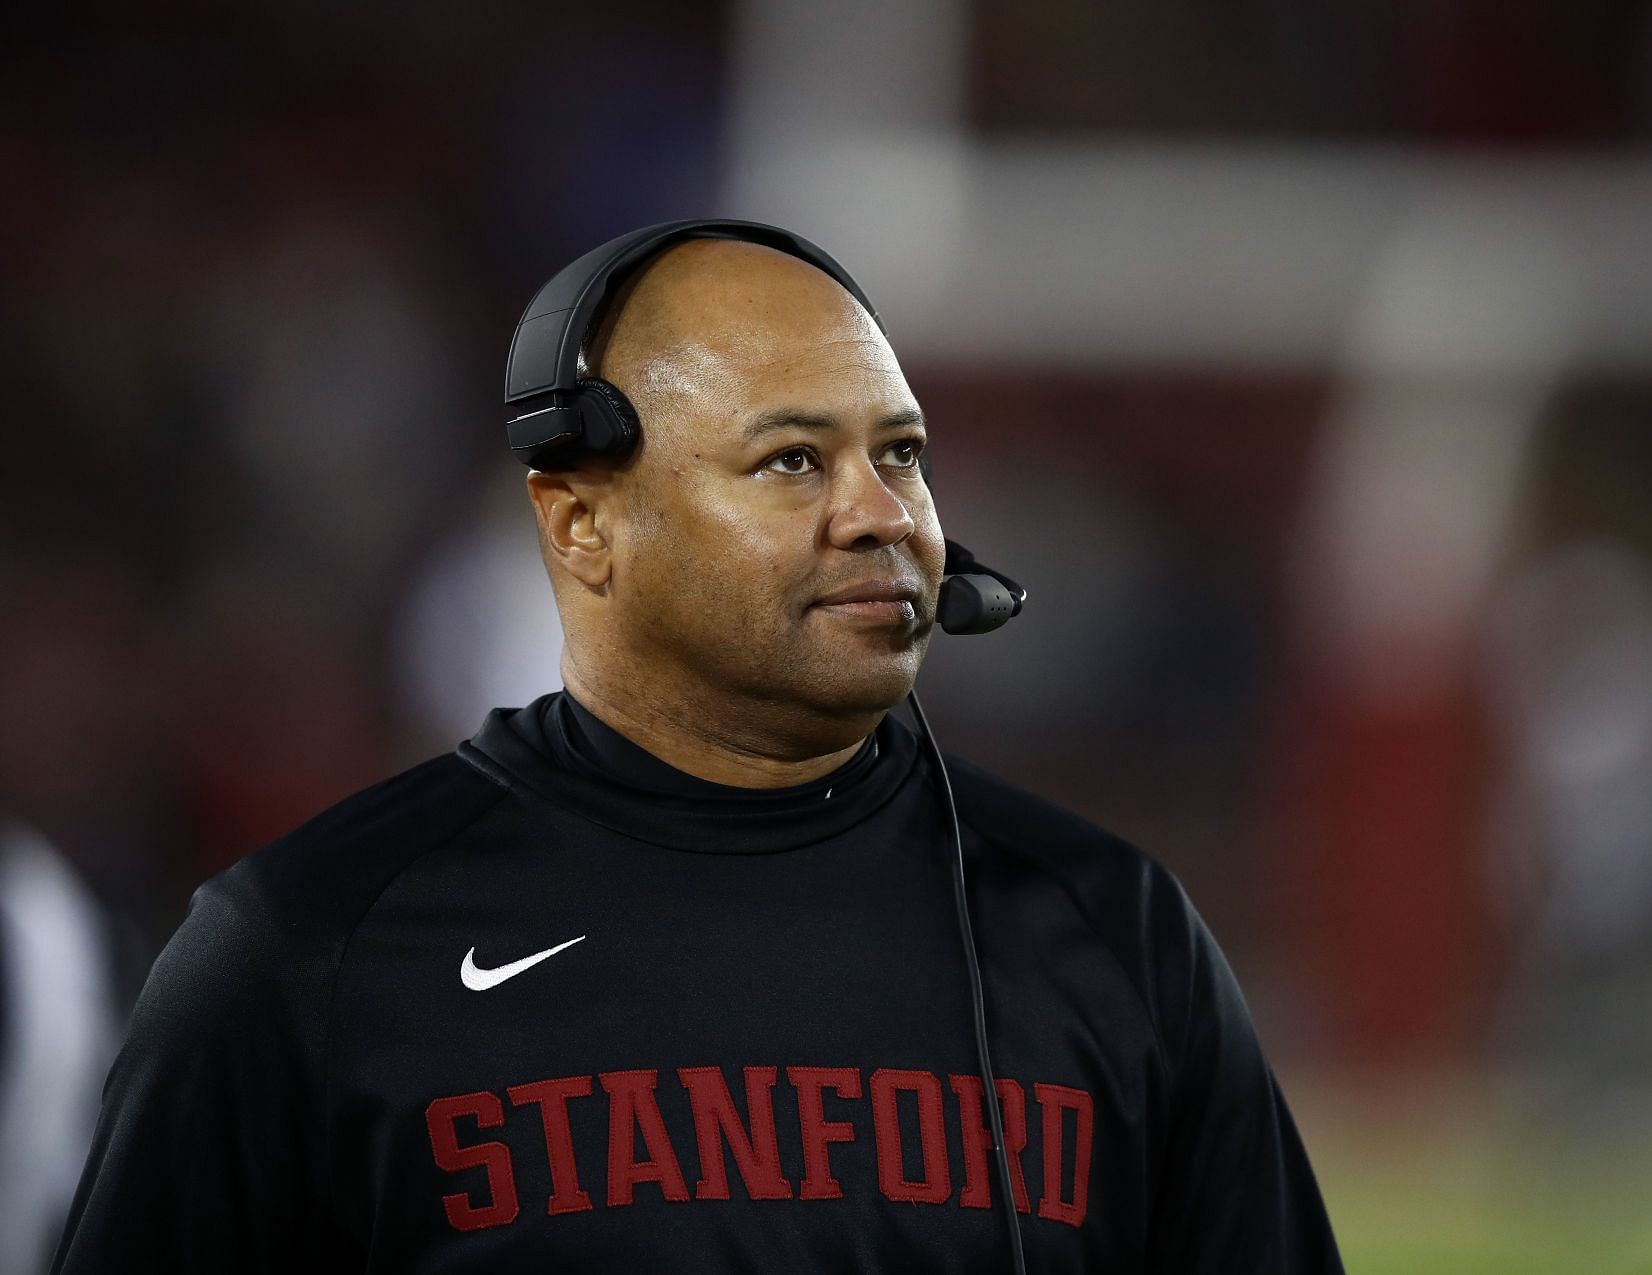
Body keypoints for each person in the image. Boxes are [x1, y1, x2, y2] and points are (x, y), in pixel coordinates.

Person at [54, 222, 1342, 1272]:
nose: (881, 516)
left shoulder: (1112, 931)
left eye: (901, 455)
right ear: (580, 526)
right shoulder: (306, 948)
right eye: (792, 461)